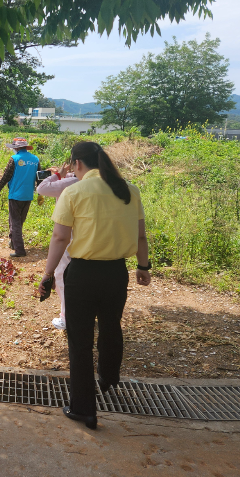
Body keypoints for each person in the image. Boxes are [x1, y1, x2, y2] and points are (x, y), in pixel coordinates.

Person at [38, 141, 151, 430]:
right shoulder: (129, 190)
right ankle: (109, 378)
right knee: (112, 326)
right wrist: (143, 266)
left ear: (76, 163)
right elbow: (140, 235)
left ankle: (84, 409)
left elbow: (60, 239)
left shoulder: (73, 191)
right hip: (116, 273)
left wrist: (48, 274)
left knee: (80, 341)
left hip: (82, 274)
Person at [36, 161, 79, 330]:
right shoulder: (95, 182)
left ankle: (66, 317)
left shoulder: (72, 182)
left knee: (61, 274)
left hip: (69, 234)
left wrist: (58, 174)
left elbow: (42, 188)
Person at [0, 137, 40, 258]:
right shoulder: (35, 159)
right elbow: (39, 178)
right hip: (28, 195)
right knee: (20, 221)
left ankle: (19, 250)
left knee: (15, 222)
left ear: (17, 148)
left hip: (15, 195)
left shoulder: (14, 159)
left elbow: (6, 175)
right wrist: (40, 194)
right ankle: (13, 242)